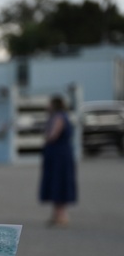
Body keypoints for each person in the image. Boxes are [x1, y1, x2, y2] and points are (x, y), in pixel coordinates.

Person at [39, 95, 77, 226]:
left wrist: (45, 134)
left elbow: (52, 135)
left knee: (60, 182)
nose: (47, 106)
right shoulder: (59, 116)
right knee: (55, 183)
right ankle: (56, 215)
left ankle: (62, 216)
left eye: (49, 104)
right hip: (58, 155)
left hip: (59, 156)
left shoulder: (59, 117)